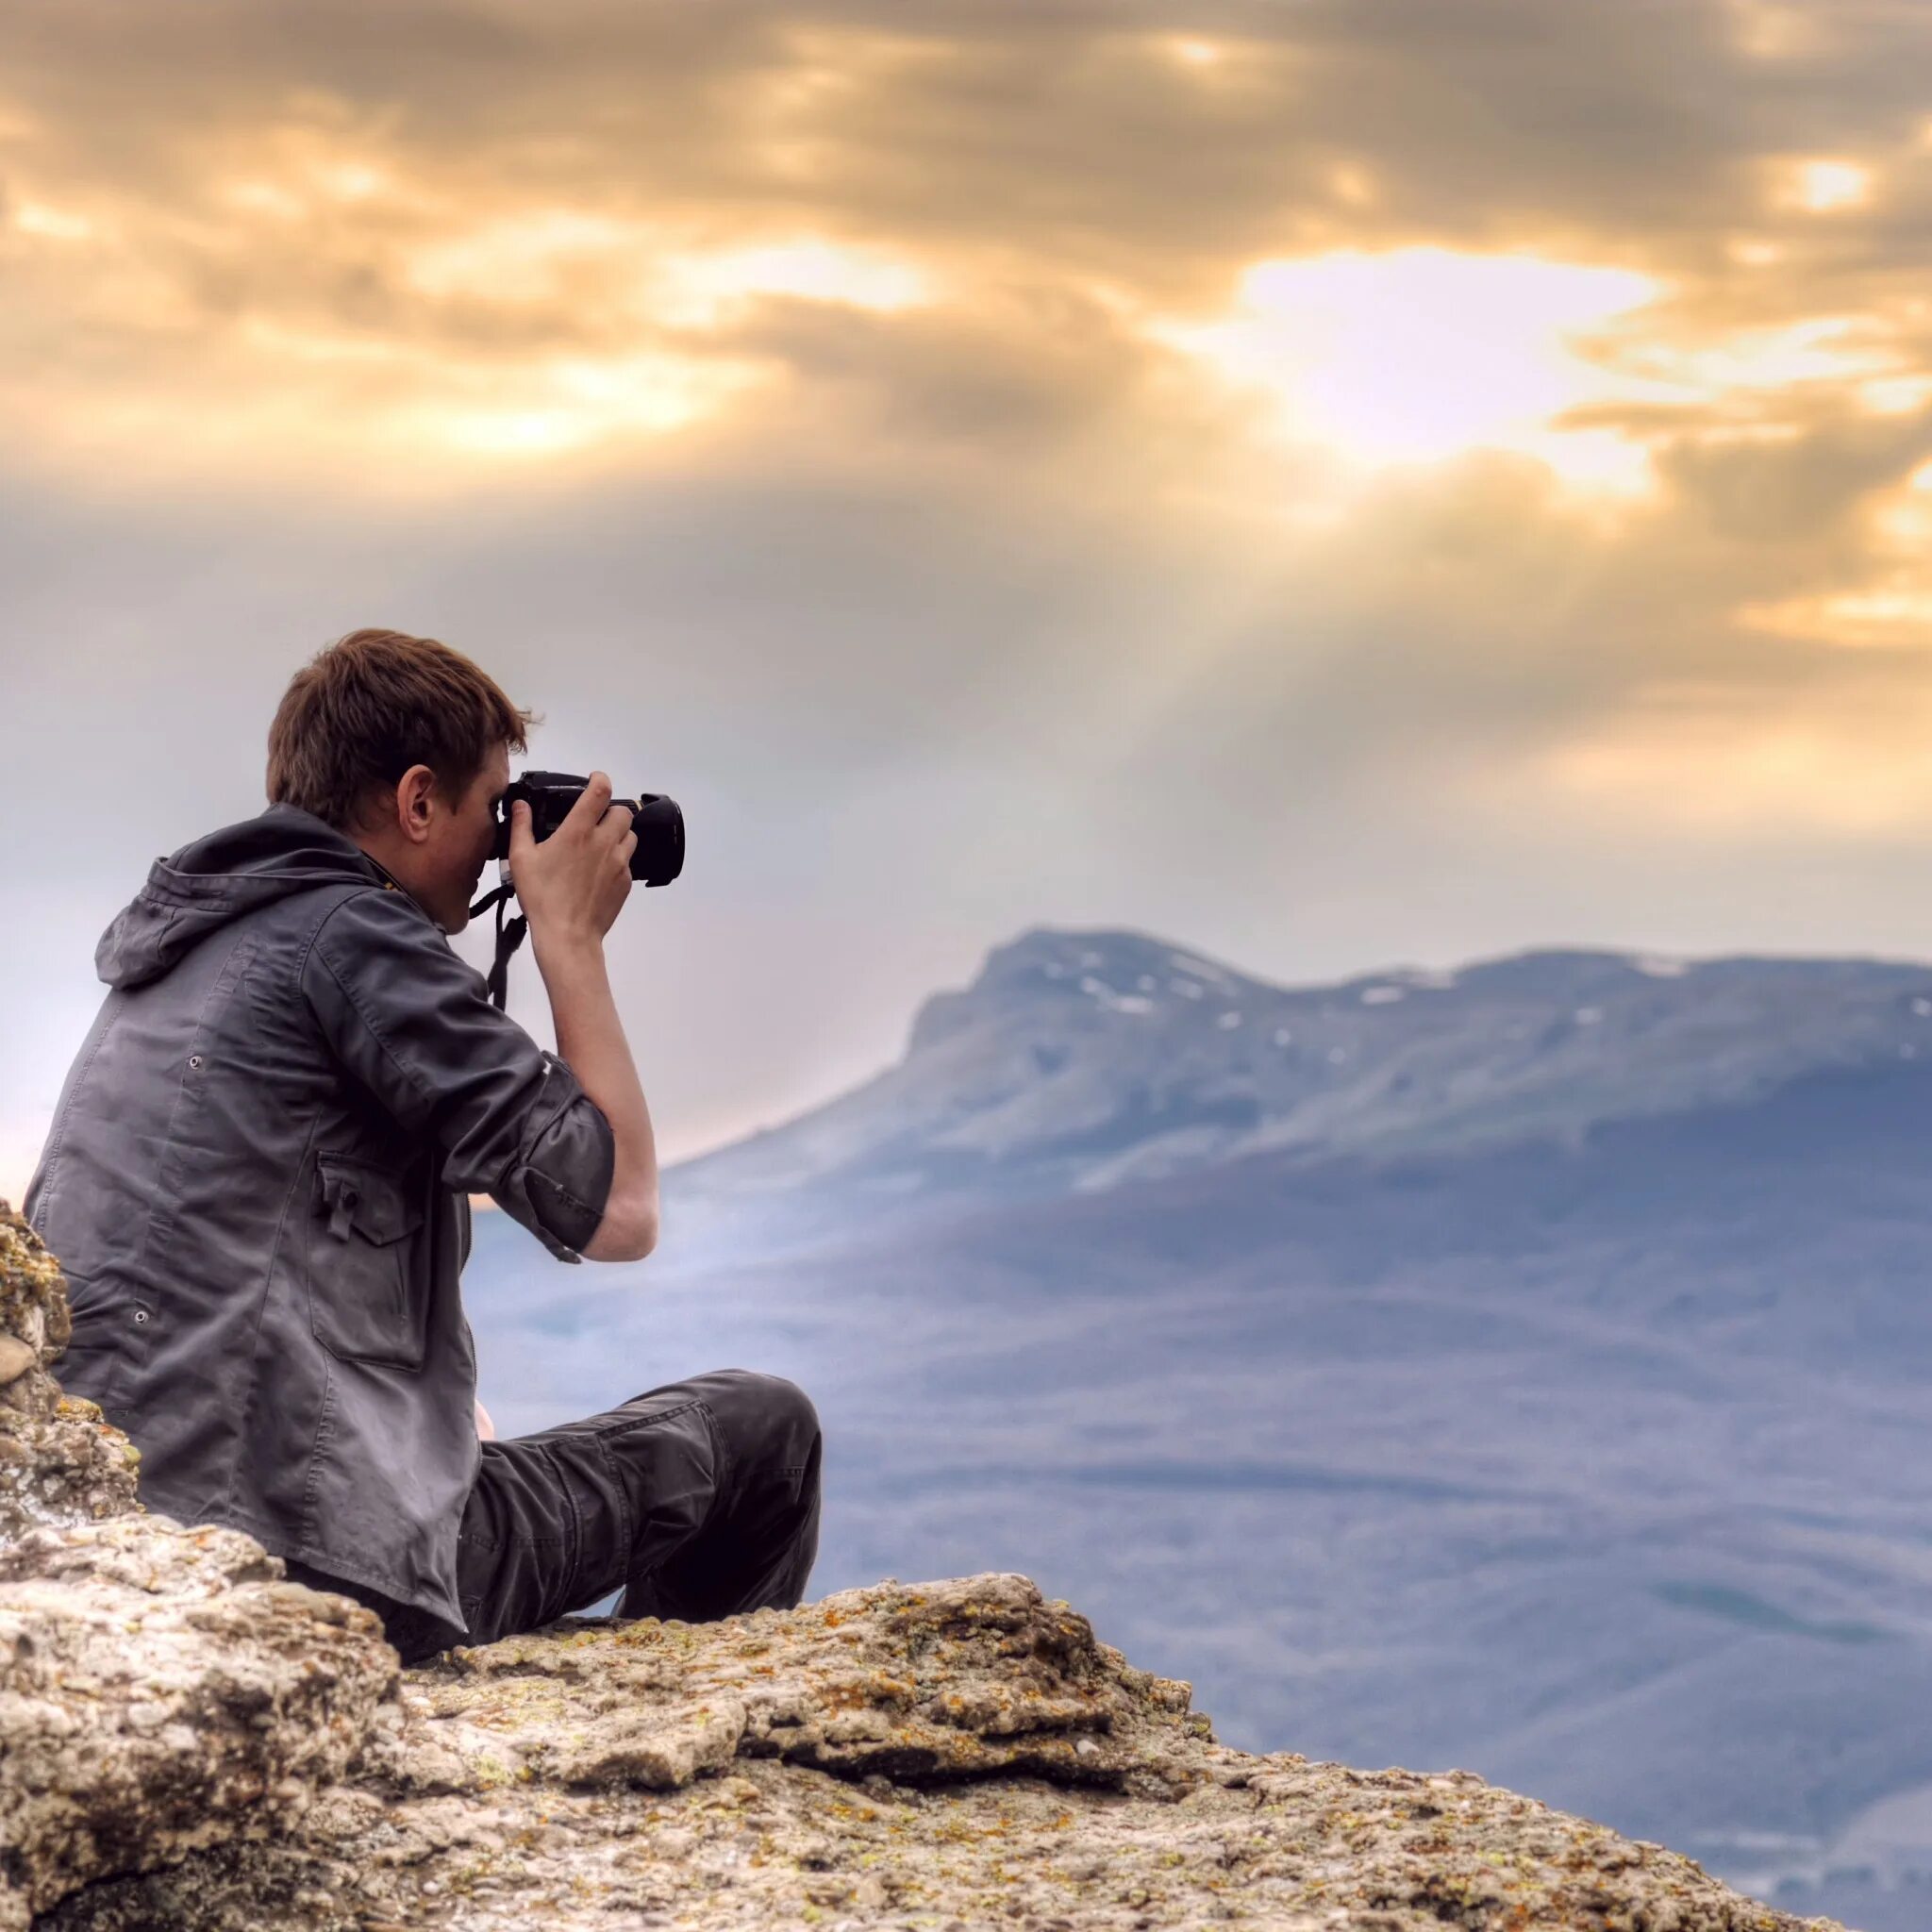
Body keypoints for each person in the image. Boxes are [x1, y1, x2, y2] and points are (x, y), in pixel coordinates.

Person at [23, 627, 821, 1663]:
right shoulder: (353, 939)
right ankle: (667, 1749)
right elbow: (621, 1207)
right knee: (762, 1432)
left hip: (133, 1542)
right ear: (414, 802)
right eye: (495, 806)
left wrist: (431, 1420)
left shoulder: (183, 952)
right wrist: (568, 939)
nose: (506, 839)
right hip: (304, 1558)